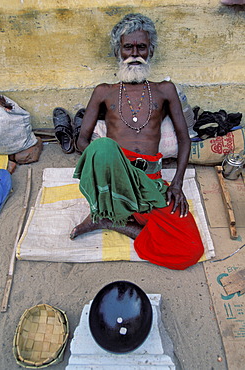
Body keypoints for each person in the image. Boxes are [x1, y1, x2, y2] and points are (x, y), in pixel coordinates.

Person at [70, 13, 204, 270]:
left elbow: (184, 139)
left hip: (150, 181)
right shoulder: (103, 91)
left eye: (141, 47)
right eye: (127, 47)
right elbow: (82, 141)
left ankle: (110, 221)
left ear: (150, 50)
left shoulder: (164, 90)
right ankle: (111, 207)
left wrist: (176, 184)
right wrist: (109, 163)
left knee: (190, 248)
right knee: (103, 145)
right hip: (115, 177)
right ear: (117, 51)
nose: (134, 53)